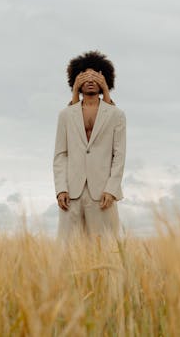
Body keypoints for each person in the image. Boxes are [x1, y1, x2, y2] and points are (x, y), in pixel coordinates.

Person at [53, 50, 126, 241]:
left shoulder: (116, 115)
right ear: (75, 79)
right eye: (85, 75)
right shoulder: (66, 115)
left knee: (106, 248)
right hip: (71, 192)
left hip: (102, 192)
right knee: (67, 250)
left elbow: (119, 154)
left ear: (105, 79)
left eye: (96, 75)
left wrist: (112, 188)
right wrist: (61, 188)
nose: (91, 79)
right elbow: (60, 154)